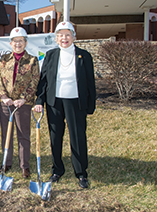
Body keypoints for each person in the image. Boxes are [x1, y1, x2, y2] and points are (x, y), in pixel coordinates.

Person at [33, 21, 96, 188]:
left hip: (76, 102)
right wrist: (39, 100)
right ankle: (57, 170)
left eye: (68, 34)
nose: (64, 38)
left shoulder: (84, 55)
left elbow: (90, 82)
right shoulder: (51, 55)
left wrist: (91, 104)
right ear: (56, 38)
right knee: (55, 137)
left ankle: (81, 173)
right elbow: (44, 81)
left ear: (74, 37)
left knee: (77, 137)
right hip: (54, 102)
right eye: (60, 35)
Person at [0, 27, 40, 179]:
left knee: (23, 135)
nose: (18, 44)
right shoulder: (4, 59)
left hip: (23, 104)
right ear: (11, 43)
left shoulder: (32, 60)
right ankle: (6, 163)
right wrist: (3, 96)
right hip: (6, 103)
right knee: (6, 134)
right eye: (15, 41)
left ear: (25, 43)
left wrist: (24, 98)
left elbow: (34, 81)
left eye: (20, 41)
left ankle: (24, 166)